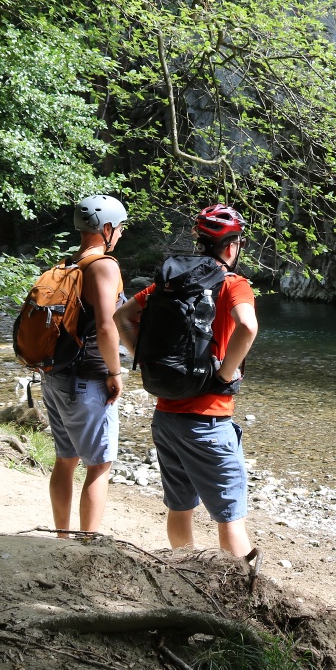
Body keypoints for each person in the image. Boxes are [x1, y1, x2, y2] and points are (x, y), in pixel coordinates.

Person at [116, 204, 259, 558]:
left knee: (180, 507)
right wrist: (223, 374)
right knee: (230, 518)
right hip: (208, 421)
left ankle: (185, 576)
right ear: (232, 247)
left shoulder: (171, 283)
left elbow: (122, 317)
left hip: (166, 418)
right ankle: (242, 588)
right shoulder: (233, 284)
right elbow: (247, 326)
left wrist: (144, 360)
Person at [44, 194, 127, 536]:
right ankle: (86, 544)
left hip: (56, 376)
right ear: (106, 228)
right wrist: (115, 372)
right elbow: (107, 326)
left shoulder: (67, 265)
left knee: (65, 460)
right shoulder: (104, 266)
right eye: (119, 228)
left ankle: (63, 537)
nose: (121, 233)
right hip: (87, 380)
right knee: (99, 465)